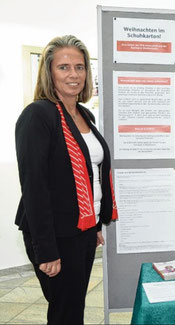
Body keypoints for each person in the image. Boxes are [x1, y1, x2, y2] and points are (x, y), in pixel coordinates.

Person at [15, 35, 118, 324]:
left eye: (80, 66)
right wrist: (46, 250)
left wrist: (95, 224)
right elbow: (35, 187)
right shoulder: (38, 115)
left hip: (82, 230)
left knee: (74, 307)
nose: (74, 74)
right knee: (65, 312)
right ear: (48, 72)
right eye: (63, 67)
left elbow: (90, 175)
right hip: (55, 236)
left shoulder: (84, 115)